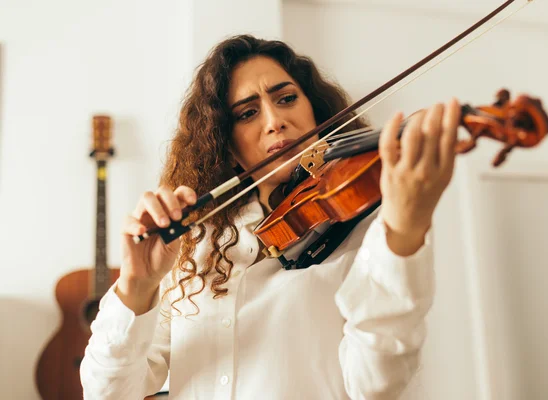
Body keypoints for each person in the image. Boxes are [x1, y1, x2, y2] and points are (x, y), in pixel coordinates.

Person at [80, 34, 460, 400]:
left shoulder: (370, 224)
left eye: (287, 98)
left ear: (315, 111)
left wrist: (404, 229)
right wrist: (136, 286)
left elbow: (379, 385)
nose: (274, 120)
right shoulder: (197, 246)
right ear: (226, 146)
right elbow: (107, 393)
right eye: (247, 113)